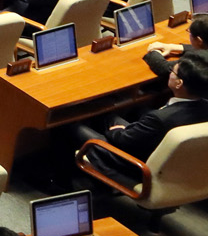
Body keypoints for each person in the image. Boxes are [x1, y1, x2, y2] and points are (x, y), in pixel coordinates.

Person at [75, 51, 208, 185]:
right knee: (110, 116)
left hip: (137, 165)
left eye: (172, 72)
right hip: (176, 164)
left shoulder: (160, 119)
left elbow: (122, 141)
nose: (169, 74)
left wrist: (115, 131)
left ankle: (64, 181)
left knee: (74, 127)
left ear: (179, 83)